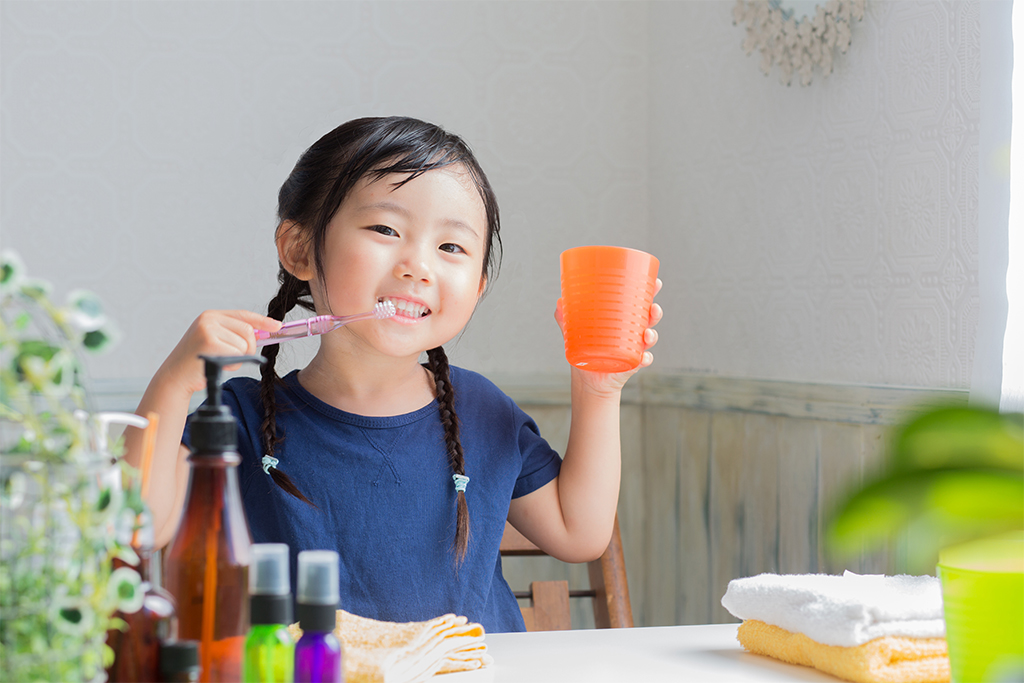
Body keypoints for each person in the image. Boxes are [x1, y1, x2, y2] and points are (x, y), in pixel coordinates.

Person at [125, 116, 662, 633]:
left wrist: (599, 386)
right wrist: (173, 384)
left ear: (477, 287)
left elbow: (579, 532)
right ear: (299, 249)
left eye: (451, 247)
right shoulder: (241, 416)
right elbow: (137, 528)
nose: (419, 265)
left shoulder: (482, 409)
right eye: (385, 228)